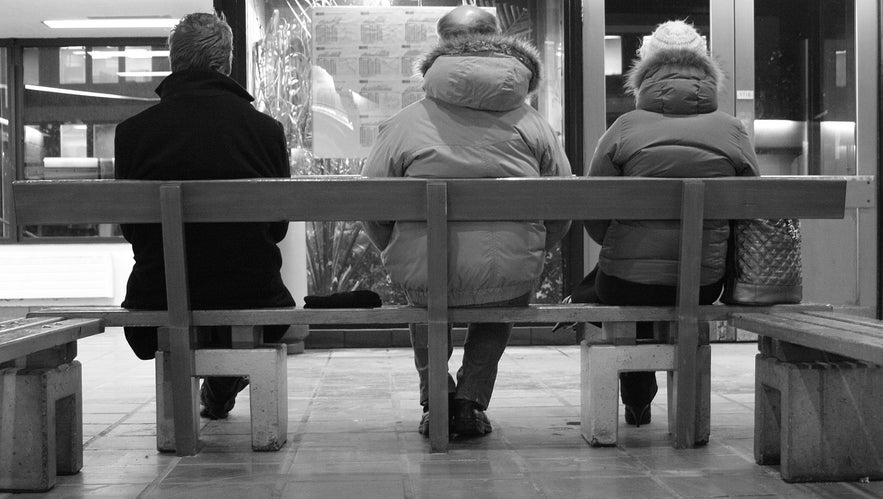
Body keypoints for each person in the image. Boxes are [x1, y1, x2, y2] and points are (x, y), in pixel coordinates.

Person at [361, 5, 572, 437]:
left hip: (426, 274)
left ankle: (435, 397)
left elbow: (372, 205)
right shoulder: (533, 125)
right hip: (510, 271)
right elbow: (563, 203)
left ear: (440, 50)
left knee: (422, 286)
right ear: (501, 45)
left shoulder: (404, 125)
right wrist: (534, 247)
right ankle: (470, 401)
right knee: (508, 283)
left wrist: (395, 248)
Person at [577, 20, 759, 427]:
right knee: (665, 278)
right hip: (703, 282)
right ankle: (684, 407)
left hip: (625, 280)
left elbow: (591, 203)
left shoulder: (624, 128)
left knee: (621, 279)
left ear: (645, 73)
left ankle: (637, 397)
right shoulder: (732, 130)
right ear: (707, 72)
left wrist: (615, 242)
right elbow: (753, 204)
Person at [114, 12, 295, 420]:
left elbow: (132, 231)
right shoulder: (265, 131)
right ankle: (224, 378)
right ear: (225, 63)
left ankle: (219, 383)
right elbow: (278, 227)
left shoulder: (132, 134)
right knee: (238, 278)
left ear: (175, 62)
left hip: (156, 298)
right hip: (254, 296)